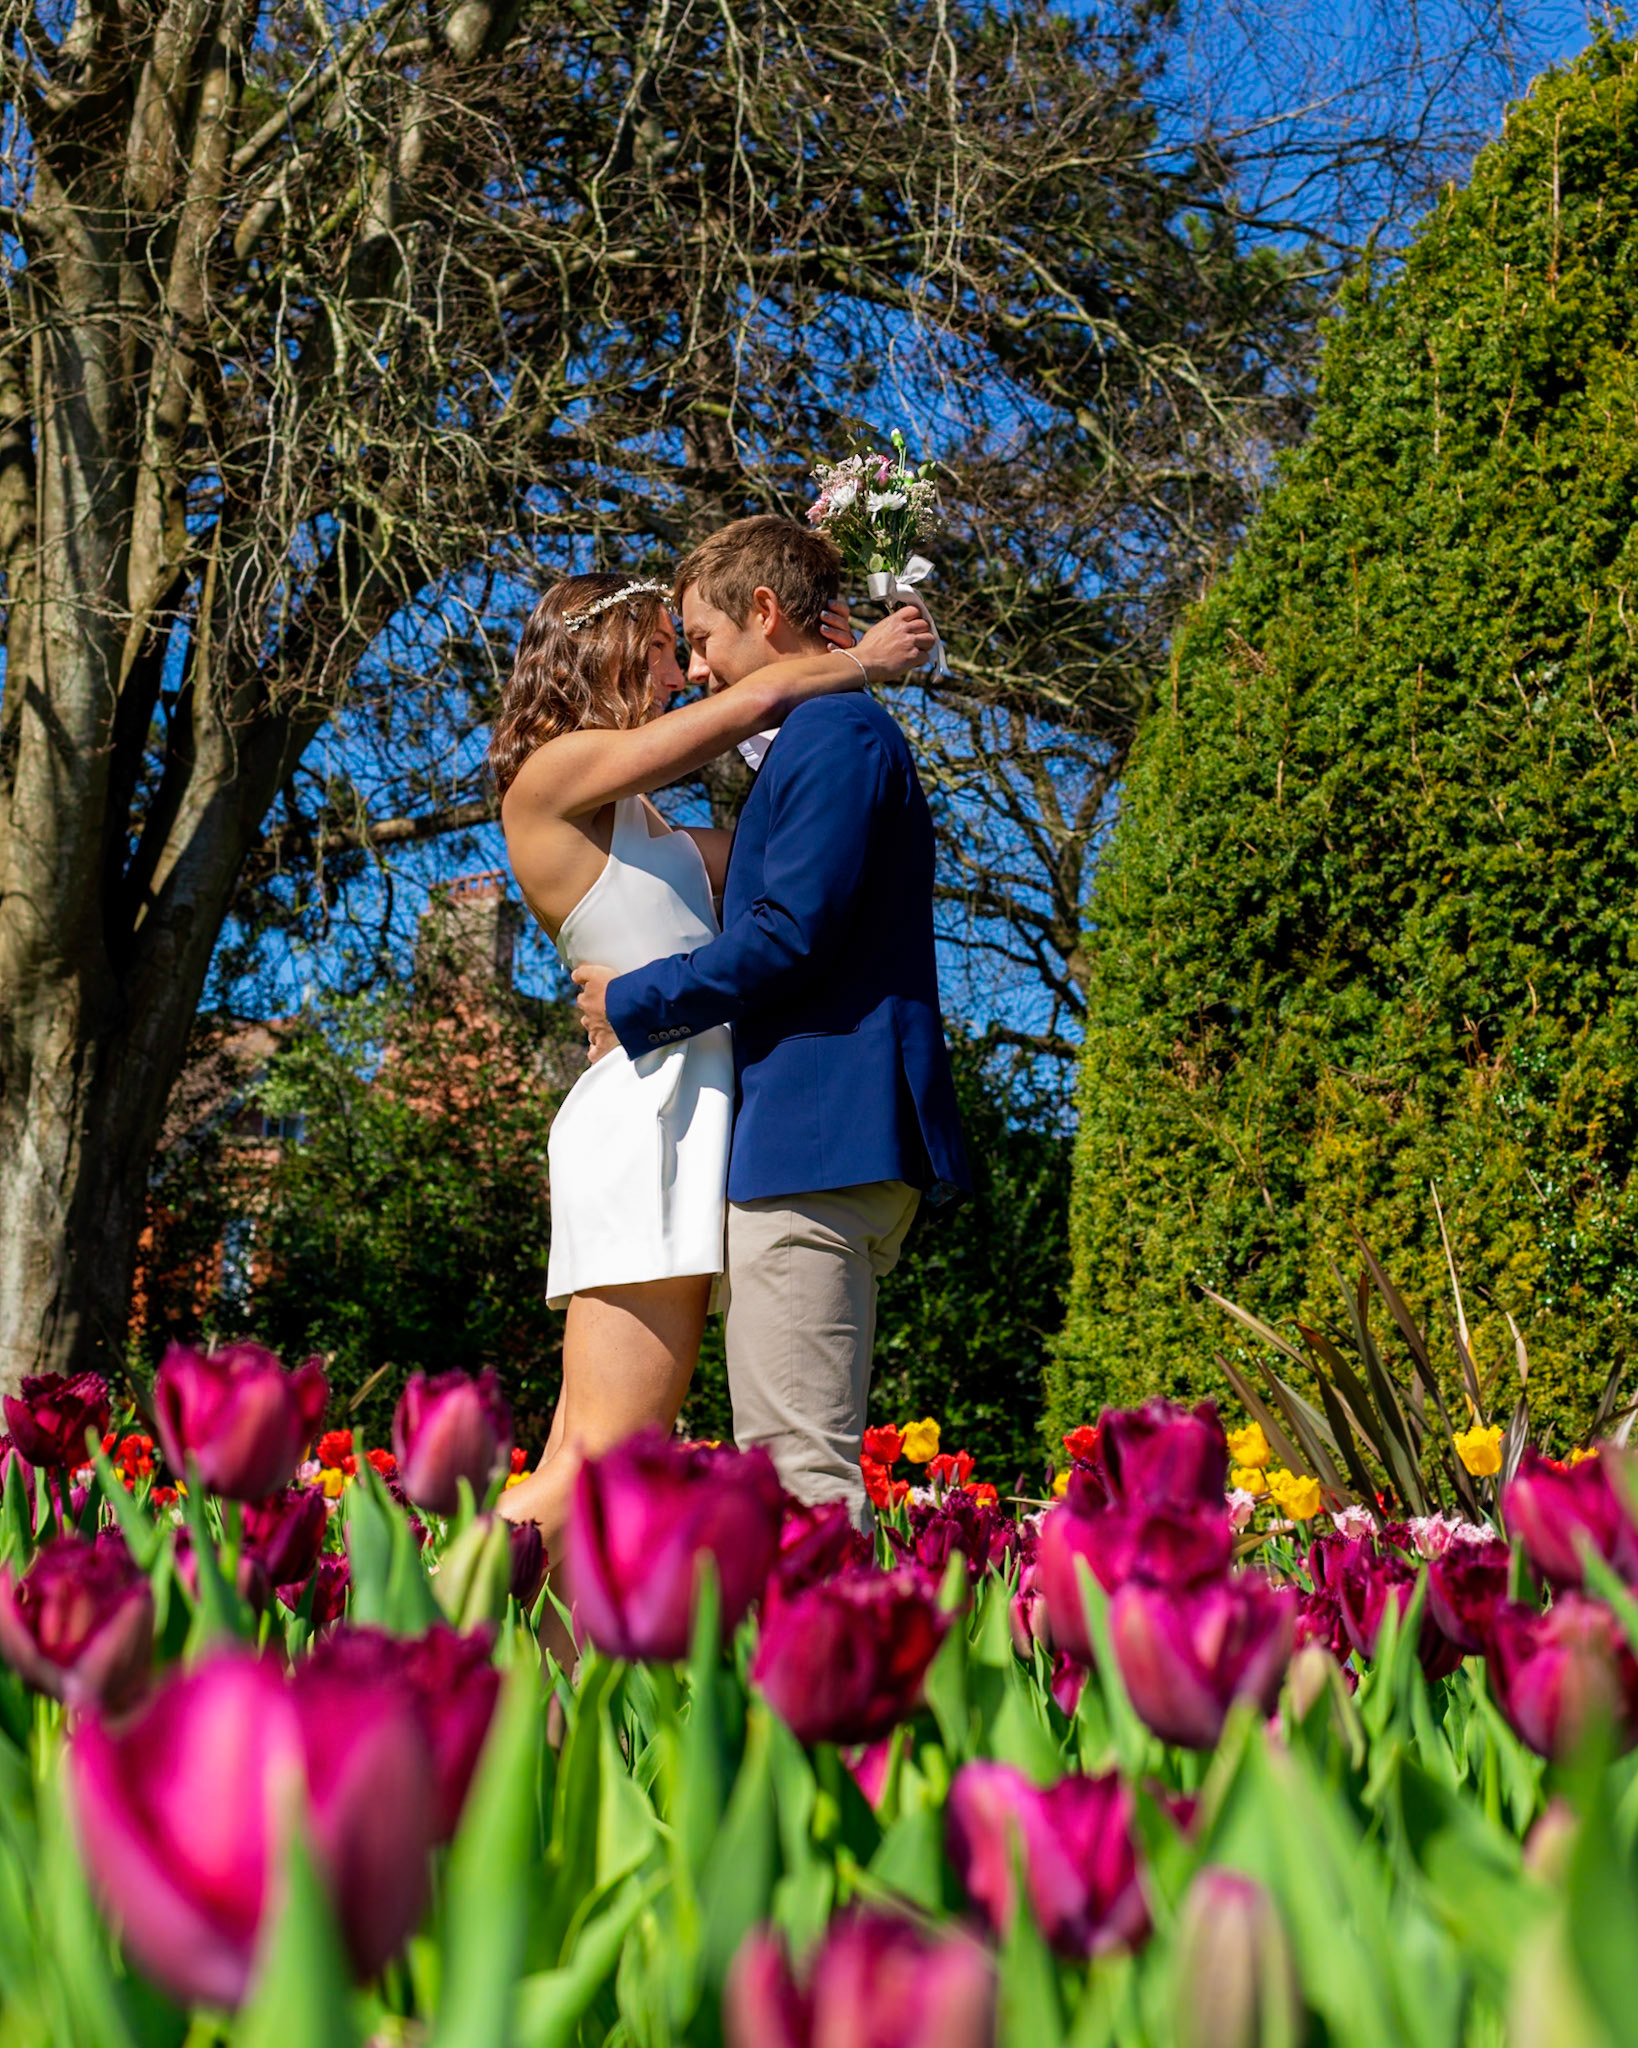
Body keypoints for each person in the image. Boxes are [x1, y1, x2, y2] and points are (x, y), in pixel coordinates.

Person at [491, 567, 935, 1567]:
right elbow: (751, 702)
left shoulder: (651, 828)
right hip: (644, 1124)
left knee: (581, 1450)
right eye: (661, 646)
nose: (679, 671)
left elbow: (798, 850)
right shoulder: (551, 778)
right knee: (605, 1459)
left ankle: (555, 1715)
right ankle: (384, 1627)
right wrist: (849, 660)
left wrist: (831, 669)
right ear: (599, 650)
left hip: (678, 1122)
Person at [572, 516, 971, 1526]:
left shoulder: (838, 737)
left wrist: (631, 1002)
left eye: (699, 639)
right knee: (791, 1464)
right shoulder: (825, 733)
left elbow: (790, 932)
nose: (696, 667)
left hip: (817, 1142)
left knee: (801, 1480)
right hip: (816, 1142)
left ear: (762, 613)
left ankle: (841, 1682)